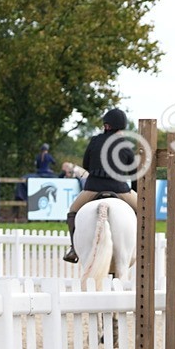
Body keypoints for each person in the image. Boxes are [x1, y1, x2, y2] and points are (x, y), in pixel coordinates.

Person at [63, 108, 138, 263]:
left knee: (73, 212)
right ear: (122, 126)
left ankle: (74, 249)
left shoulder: (95, 141)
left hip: (93, 188)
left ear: (106, 125)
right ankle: (144, 247)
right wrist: (136, 191)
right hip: (120, 189)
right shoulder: (125, 145)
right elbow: (134, 173)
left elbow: (86, 165)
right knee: (146, 211)